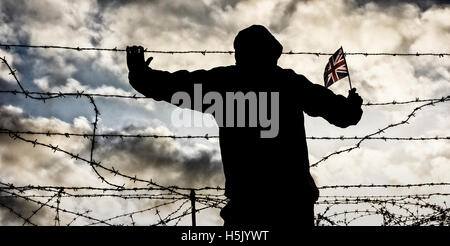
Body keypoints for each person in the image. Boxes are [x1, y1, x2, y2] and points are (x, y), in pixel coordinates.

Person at [126, 25, 363, 228]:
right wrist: (351, 106)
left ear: (239, 54)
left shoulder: (224, 83)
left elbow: (176, 86)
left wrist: (141, 75)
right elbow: (341, 114)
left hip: (248, 201)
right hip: (291, 202)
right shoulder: (288, 83)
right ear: (274, 54)